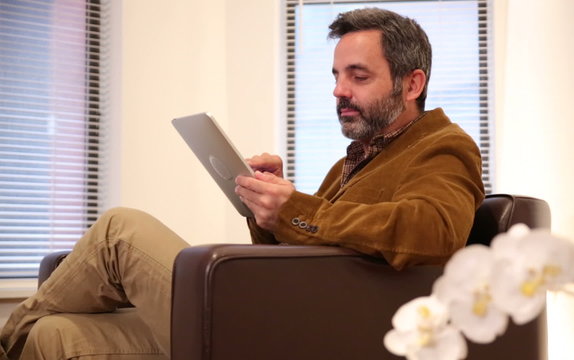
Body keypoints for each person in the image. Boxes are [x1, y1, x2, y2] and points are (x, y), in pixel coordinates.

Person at [0, 7, 484, 360]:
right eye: (336, 75)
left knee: (119, 230)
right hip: (286, 309)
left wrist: (295, 207)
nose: (339, 90)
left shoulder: (443, 146)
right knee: (56, 335)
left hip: (305, 331)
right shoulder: (354, 161)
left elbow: (433, 231)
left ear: (412, 83)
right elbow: (317, 251)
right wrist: (268, 211)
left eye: (358, 76)